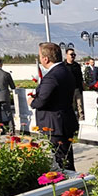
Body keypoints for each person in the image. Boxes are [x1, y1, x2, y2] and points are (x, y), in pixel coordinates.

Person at [30, 42, 80, 171]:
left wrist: (31, 101)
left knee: (61, 160)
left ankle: (69, 185)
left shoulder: (52, 76)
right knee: (66, 157)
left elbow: (42, 100)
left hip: (55, 123)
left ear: (45, 59)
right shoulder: (65, 71)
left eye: (40, 56)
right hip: (64, 119)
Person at [64, 48, 86, 121]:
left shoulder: (77, 65)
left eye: (74, 55)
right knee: (71, 107)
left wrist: (83, 88)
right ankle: (72, 121)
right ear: (66, 55)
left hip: (77, 89)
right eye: (71, 54)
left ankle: (81, 120)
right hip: (68, 90)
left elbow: (81, 78)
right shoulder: (63, 66)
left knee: (80, 106)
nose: (73, 56)